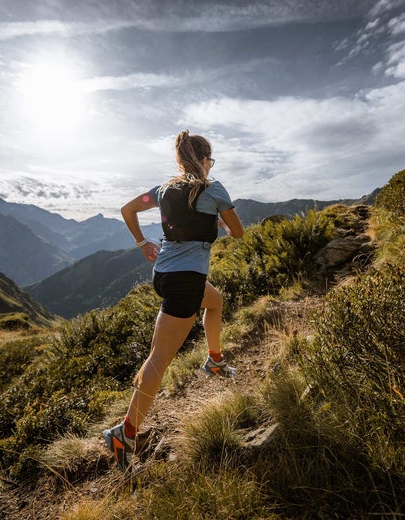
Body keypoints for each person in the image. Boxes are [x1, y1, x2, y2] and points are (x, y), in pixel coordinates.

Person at [103, 130, 245, 472]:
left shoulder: (162, 190)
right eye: (210, 160)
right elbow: (238, 232)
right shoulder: (213, 189)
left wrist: (142, 243)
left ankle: (214, 360)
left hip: (165, 275)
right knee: (160, 358)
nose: (211, 166)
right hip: (185, 281)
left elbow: (127, 209)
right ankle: (125, 433)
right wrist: (219, 224)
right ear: (204, 159)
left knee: (215, 301)